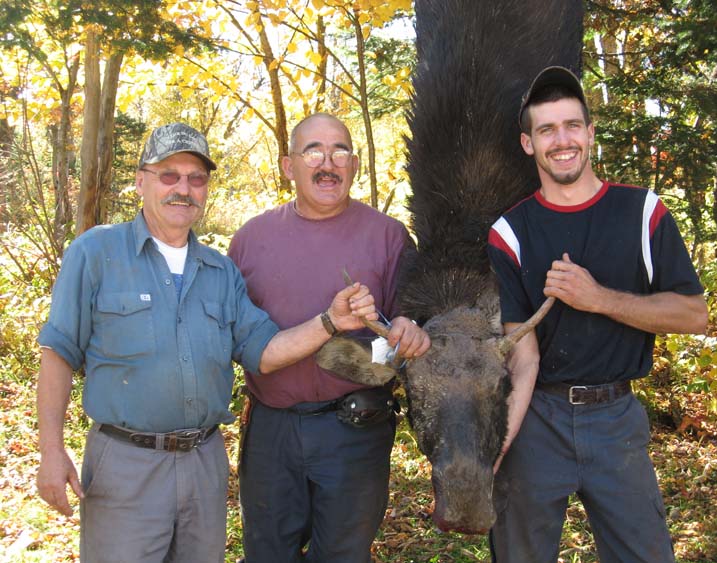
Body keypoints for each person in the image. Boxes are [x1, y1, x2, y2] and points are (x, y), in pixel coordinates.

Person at [36, 122, 379, 563]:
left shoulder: (220, 271)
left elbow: (264, 352)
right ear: (140, 181)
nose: (183, 189)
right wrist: (51, 451)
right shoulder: (96, 253)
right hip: (125, 464)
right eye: (169, 175)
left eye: (196, 179)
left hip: (204, 464)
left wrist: (330, 321)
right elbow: (58, 353)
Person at [487, 67, 709, 562]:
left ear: (590, 133)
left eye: (572, 126)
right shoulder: (510, 233)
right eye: (547, 130)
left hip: (616, 420)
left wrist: (599, 298)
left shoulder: (643, 212)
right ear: (528, 143)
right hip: (538, 420)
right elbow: (523, 358)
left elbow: (694, 314)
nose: (561, 140)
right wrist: (496, 449)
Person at [228, 112, 431, 563]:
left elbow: (408, 330)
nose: (328, 163)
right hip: (271, 432)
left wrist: (407, 331)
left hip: (354, 430)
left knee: (343, 553)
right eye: (313, 152)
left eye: (340, 151)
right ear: (288, 166)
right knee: (267, 553)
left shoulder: (389, 237)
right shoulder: (249, 240)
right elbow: (234, 340)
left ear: (354, 165)